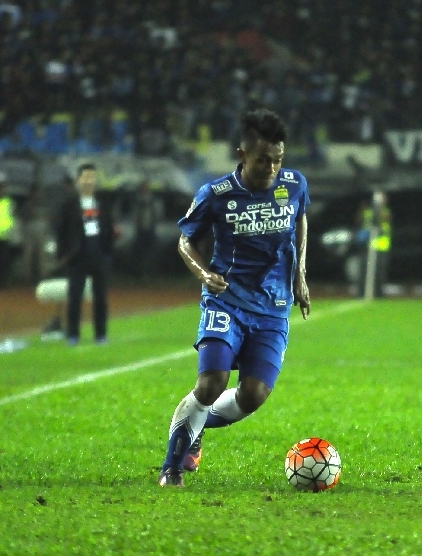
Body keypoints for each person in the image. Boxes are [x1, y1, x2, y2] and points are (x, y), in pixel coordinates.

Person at [158, 109, 311, 487]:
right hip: (227, 301)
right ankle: (172, 467)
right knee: (211, 382)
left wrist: (300, 275)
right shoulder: (217, 194)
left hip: (274, 308)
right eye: (264, 160)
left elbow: (301, 220)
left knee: (255, 394)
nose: (272, 168)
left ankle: (194, 425)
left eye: (278, 160)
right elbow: (185, 240)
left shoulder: (294, 185)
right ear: (243, 155)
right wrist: (205, 274)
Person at [58, 163, 115, 345]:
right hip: (78, 255)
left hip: (98, 253)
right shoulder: (69, 205)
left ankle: (101, 334)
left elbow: (109, 228)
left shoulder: (102, 203)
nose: (90, 181)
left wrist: (107, 251)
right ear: (78, 180)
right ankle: (73, 334)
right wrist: (63, 254)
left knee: (101, 298)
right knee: (75, 297)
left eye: (93, 177)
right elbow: (61, 231)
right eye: (86, 177)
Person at [355, 191, 392, 298]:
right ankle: (362, 293)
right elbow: (360, 221)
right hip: (368, 247)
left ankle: (379, 294)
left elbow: (385, 220)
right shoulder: (367, 212)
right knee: (364, 272)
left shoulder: (386, 212)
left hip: (382, 246)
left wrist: (378, 211)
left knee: (380, 273)